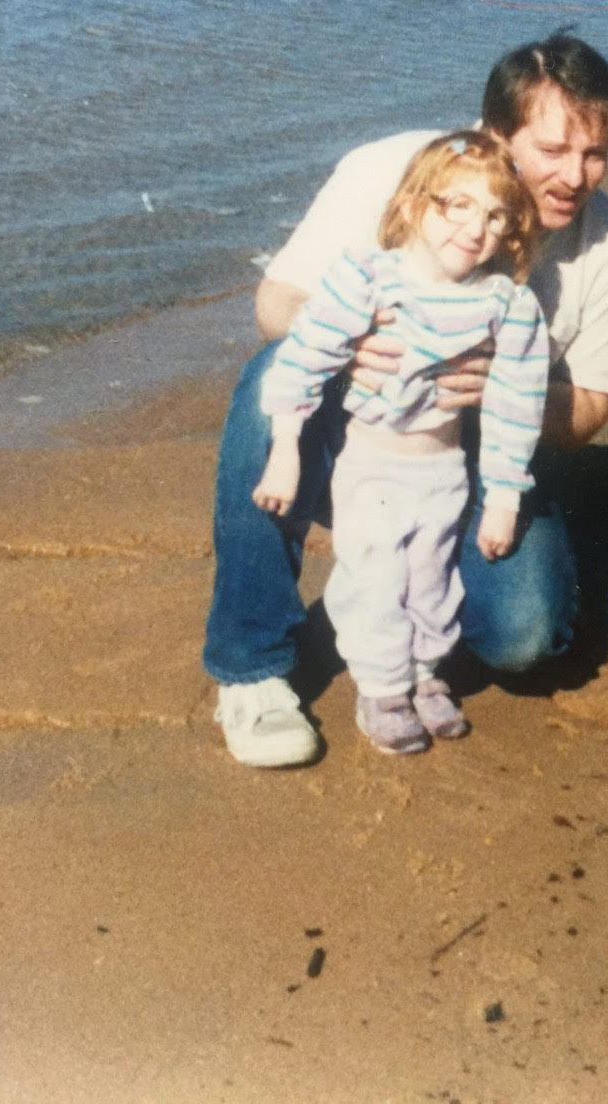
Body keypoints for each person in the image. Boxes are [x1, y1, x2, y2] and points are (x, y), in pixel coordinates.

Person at [204, 31, 608, 767]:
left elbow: (591, 411)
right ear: (492, 136)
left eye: (595, 152)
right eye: (553, 150)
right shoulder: (391, 171)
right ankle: (250, 665)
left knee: (523, 639)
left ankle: (412, 612)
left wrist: (502, 390)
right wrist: (352, 337)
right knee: (272, 380)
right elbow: (275, 303)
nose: (577, 176)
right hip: (363, 420)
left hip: (479, 456)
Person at [251, 132, 548, 756]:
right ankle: (381, 688)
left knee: (433, 581)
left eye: (495, 215)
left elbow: (517, 405)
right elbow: (303, 358)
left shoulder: (506, 305)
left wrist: (503, 498)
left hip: (444, 473)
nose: (476, 228)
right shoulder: (370, 278)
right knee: (378, 578)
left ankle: (424, 673)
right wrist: (286, 448)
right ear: (414, 205)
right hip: (372, 467)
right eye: (456, 206)